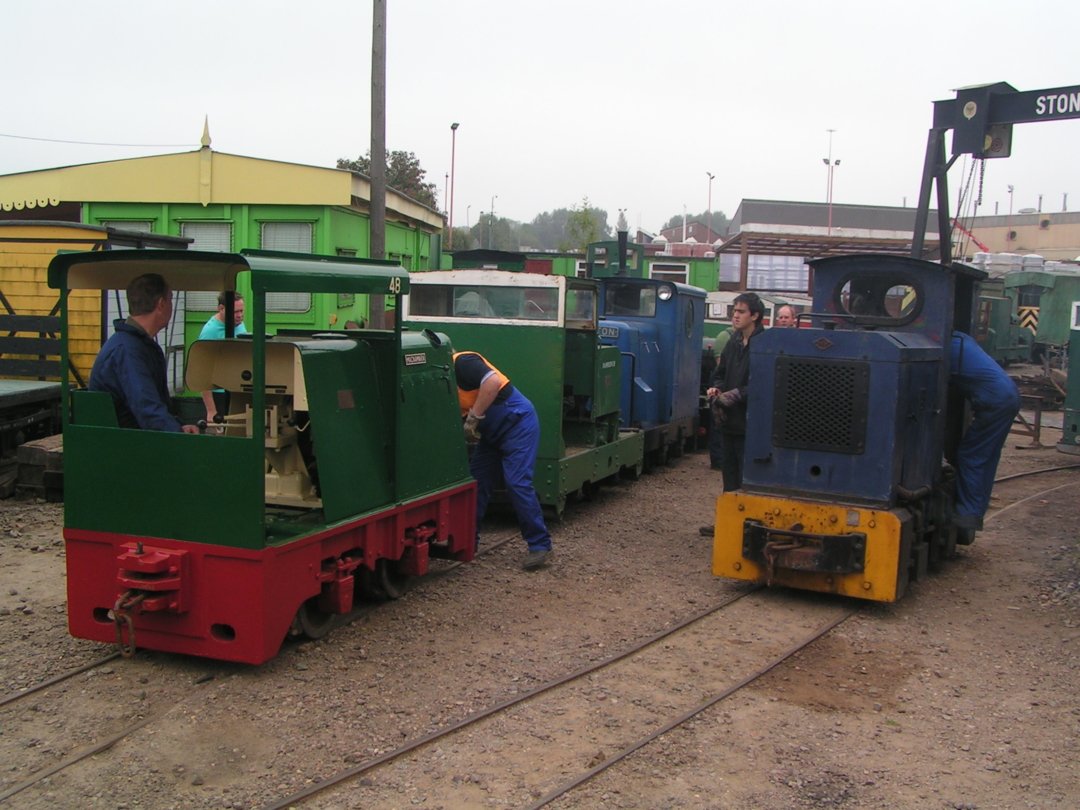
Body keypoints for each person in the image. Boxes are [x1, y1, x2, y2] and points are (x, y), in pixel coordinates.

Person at [453, 351, 553, 570]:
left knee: (517, 482)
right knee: (476, 485)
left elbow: (492, 382)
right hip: (491, 435)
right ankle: (469, 543)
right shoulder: (440, 380)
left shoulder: (463, 362)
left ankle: (539, 545)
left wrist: (473, 418)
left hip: (518, 423)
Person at [90, 273, 198, 433]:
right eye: (171, 299)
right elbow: (147, 409)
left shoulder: (137, 345)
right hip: (125, 445)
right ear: (161, 304)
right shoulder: (127, 351)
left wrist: (178, 425)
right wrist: (179, 435)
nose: (172, 306)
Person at [949, 330, 1021, 542]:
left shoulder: (950, 347)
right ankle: (972, 511)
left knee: (972, 456)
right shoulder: (961, 340)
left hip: (996, 402)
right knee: (987, 456)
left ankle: (967, 516)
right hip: (1005, 397)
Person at [707, 292, 765, 491]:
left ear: (755, 316)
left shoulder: (764, 344)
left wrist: (737, 394)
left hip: (752, 426)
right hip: (729, 422)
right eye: (734, 311)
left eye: (741, 312)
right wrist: (717, 388)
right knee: (728, 474)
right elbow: (719, 373)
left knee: (747, 479)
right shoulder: (733, 343)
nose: (735, 316)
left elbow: (763, 384)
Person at [198, 292, 248, 423]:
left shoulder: (239, 324)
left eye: (242, 311)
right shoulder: (210, 332)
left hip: (237, 389)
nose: (239, 315)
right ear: (221, 309)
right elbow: (203, 373)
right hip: (218, 394)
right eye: (235, 312)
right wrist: (211, 410)